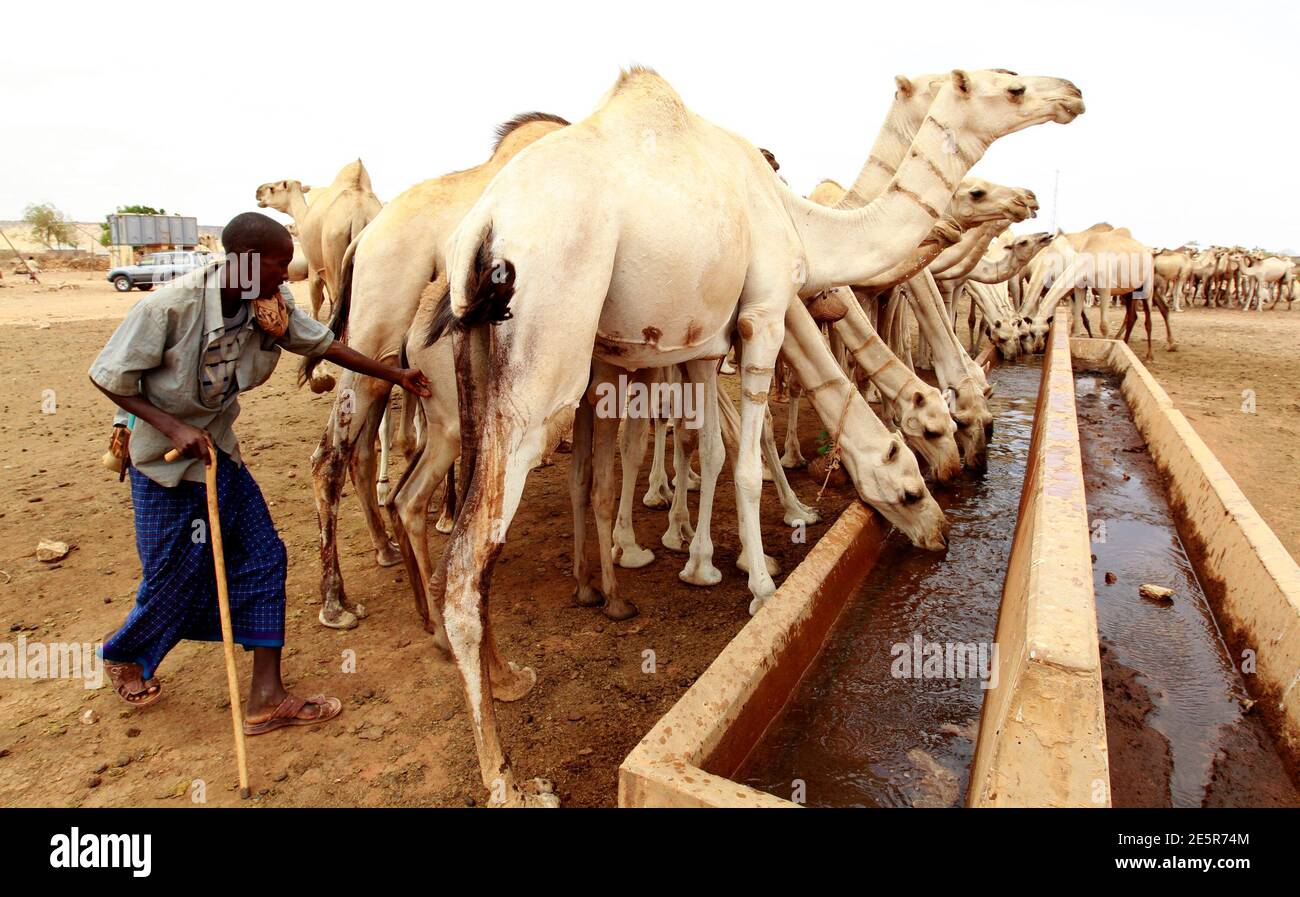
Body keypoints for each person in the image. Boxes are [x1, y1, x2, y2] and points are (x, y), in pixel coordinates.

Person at [88, 211, 430, 735]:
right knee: (177, 571)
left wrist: (395, 373)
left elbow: (324, 344)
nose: (287, 273)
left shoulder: (266, 307)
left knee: (265, 557)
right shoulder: (169, 307)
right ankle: (125, 652)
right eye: (276, 262)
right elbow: (109, 375)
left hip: (217, 452)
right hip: (162, 460)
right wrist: (173, 427)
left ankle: (266, 700)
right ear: (244, 261)